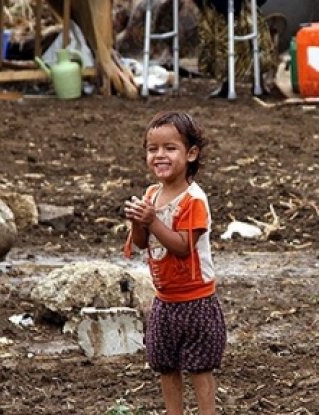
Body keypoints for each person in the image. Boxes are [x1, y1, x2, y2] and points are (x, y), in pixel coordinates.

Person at [124, 111, 226, 415]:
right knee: (166, 365)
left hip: (196, 300)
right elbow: (142, 242)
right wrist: (138, 222)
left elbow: (183, 247)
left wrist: (151, 221)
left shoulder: (193, 200)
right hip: (165, 300)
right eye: (152, 149)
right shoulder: (151, 195)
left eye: (170, 148)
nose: (160, 155)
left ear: (191, 154)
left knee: (200, 367)